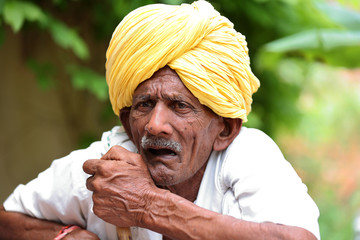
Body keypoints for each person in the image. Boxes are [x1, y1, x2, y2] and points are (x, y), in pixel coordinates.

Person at [0, 1, 320, 239]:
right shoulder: (105, 167)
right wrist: (68, 237)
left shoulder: (247, 155)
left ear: (224, 130)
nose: (154, 125)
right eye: (144, 104)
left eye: (179, 106)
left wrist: (149, 207)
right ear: (126, 122)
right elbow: (8, 221)